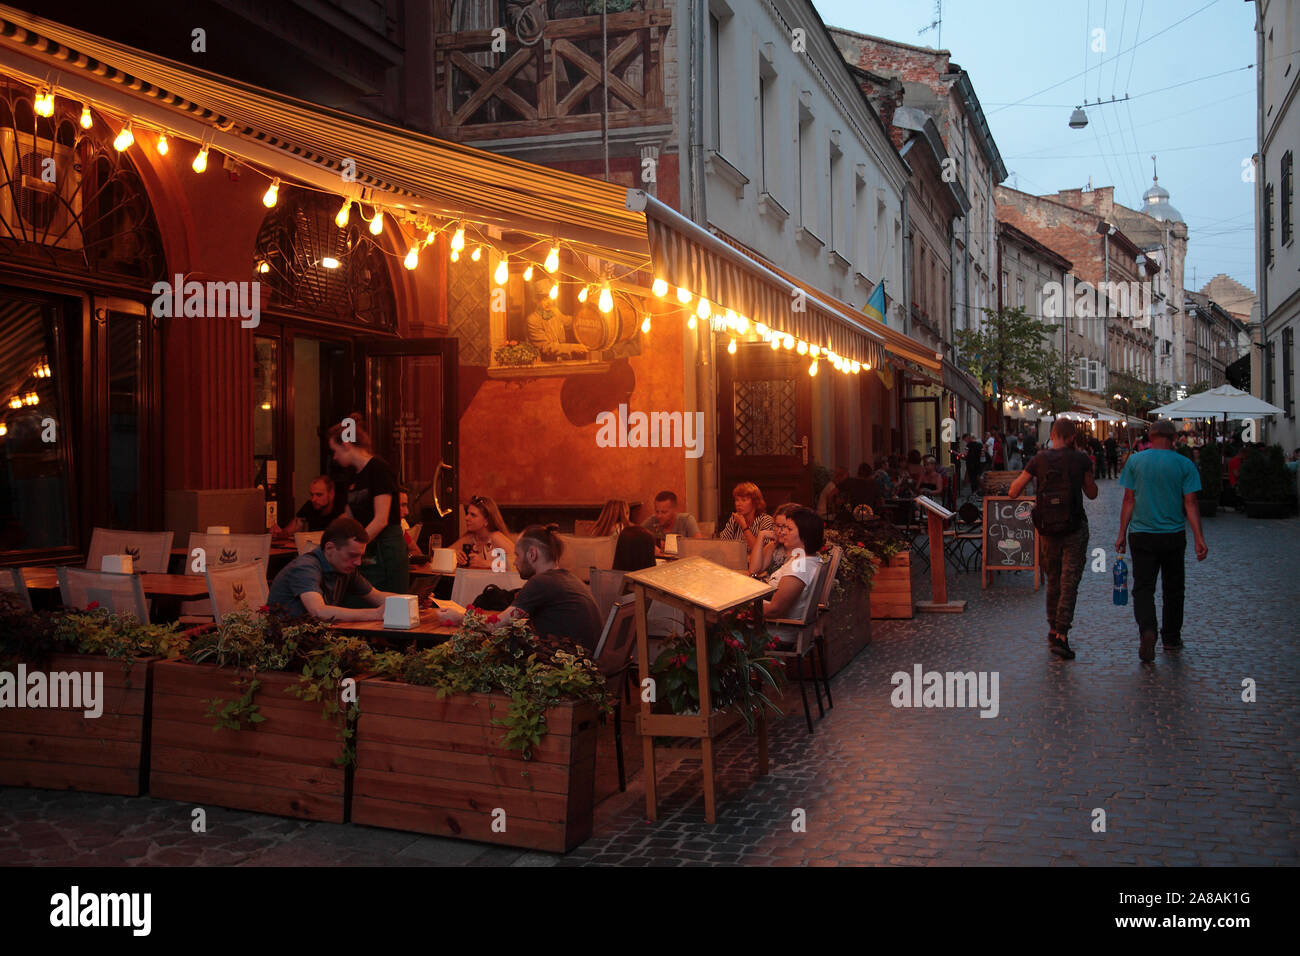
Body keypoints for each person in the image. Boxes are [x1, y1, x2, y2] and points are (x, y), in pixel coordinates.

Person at [1115, 418, 1208, 661]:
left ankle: (1147, 630)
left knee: (1143, 588)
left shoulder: (1135, 461)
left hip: (1141, 534)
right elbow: (1190, 502)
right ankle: (1171, 638)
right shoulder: (1185, 464)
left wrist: (1121, 534)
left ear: (1150, 438)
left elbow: (1128, 500)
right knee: (1174, 589)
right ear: (1174, 439)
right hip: (1173, 535)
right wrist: (1199, 537)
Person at [1009, 418, 1098, 661]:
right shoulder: (1080, 459)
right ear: (1072, 437)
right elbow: (1092, 493)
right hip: (1074, 528)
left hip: (1047, 529)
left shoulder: (1039, 459)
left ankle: (1051, 628)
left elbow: (1014, 490)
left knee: (1053, 580)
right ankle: (1061, 634)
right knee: (1070, 582)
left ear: (1053, 434)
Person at [436, 525, 603, 652]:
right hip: (586, 666)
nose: (515, 562)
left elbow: (496, 626)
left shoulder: (541, 582)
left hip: (567, 673)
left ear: (532, 554)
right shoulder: (568, 578)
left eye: (517, 555)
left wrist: (458, 617)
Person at [327, 421, 408, 595]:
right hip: (366, 547)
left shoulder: (379, 469)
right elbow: (349, 517)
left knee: (387, 605)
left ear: (346, 445)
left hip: (385, 550)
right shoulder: (353, 475)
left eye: (335, 451)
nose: (334, 457)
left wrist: (354, 548)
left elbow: (381, 520)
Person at [267, 517, 396, 621]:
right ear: (329, 548)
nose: (358, 562)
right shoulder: (305, 567)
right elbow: (318, 611)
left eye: (360, 556)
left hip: (314, 641)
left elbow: (376, 596)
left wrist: (411, 603)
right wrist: (375, 614)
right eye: (352, 555)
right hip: (286, 646)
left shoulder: (344, 567)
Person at [762, 508, 825, 644]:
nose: (783, 532)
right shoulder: (809, 558)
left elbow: (775, 610)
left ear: (805, 534)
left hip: (777, 632)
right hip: (782, 626)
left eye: (789, 529)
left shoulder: (800, 567)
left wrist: (742, 607)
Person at [448, 495, 515, 569]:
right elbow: (444, 554)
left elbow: (518, 562)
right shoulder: (471, 537)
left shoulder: (495, 537)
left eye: (473, 515)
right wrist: (455, 555)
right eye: (467, 513)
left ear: (486, 521)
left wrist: (486, 563)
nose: (466, 518)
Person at [272, 475, 344, 536]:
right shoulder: (310, 506)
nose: (313, 499)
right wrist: (279, 533)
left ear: (331, 494)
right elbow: (289, 530)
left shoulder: (342, 509)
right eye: (312, 495)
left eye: (319, 495)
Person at [717, 481, 774, 553]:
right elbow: (722, 545)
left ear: (754, 502)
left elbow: (761, 552)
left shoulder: (766, 520)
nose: (738, 504)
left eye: (743, 500)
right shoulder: (734, 519)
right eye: (737, 500)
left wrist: (744, 526)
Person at [750, 502, 802, 577]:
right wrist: (761, 535)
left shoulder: (801, 552)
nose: (779, 531)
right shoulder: (774, 545)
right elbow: (753, 571)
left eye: (784, 526)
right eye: (777, 525)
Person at [398, 489, 423, 556]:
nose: (407, 512)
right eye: (402, 505)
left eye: (406, 505)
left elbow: (417, 551)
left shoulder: (400, 527)